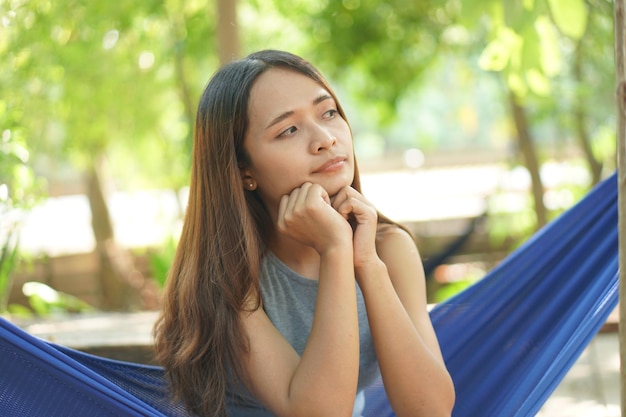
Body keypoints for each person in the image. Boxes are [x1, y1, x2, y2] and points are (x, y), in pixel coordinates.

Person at [154, 49, 455, 417]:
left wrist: (365, 263)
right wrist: (334, 253)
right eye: (289, 130)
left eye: (328, 112)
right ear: (243, 170)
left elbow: (431, 410)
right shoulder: (228, 277)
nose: (325, 138)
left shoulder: (388, 249)